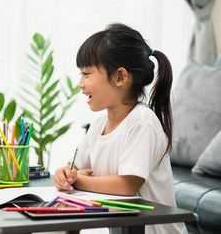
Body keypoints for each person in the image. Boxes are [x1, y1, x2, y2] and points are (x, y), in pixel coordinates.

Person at [53, 23, 187, 234]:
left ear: (120, 77)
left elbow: (126, 185)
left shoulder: (142, 122)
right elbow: (77, 168)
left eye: (86, 74)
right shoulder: (98, 126)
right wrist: (65, 173)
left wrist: (77, 180)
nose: (80, 83)